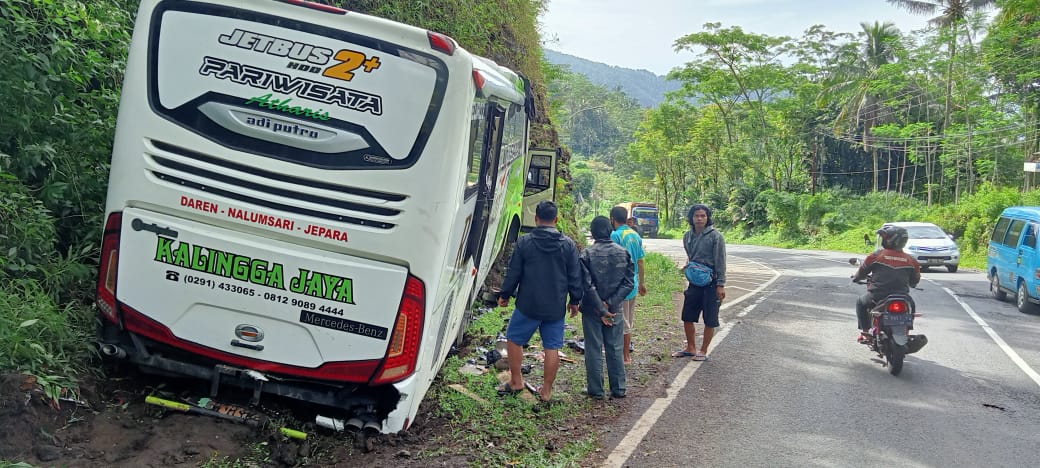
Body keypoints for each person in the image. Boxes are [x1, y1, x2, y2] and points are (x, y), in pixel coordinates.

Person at [497, 200, 583, 403]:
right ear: (556, 219)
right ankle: (546, 392)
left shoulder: (525, 242)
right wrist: (575, 300)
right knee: (551, 347)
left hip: (528, 304)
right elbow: (575, 275)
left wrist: (505, 294)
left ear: (536, 219)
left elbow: (514, 271)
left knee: (514, 339)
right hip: (555, 306)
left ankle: (516, 381)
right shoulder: (568, 244)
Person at [578, 216, 634, 399]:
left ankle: (596, 390)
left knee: (594, 348)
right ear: (610, 230)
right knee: (615, 347)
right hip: (614, 308)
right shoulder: (624, 253)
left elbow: (587, 285)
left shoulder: (586, 254)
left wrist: (601, 306)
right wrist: (610, 303)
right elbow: (628, 283)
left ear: (593, 233)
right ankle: (619, 388)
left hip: (592, 309)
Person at [673, 204, 727, 361]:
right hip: (694, 283)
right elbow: (690, 257)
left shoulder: (716, 236)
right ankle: (691, 347)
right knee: (687, 316)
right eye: (696, 216)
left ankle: (703, 350)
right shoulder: (687, 236)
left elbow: (720, 261)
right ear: (691, 218)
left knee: (710, 317)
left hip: (712, 283)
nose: (699, 218)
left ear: (708, 217)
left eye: (703, 216)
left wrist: (720, 284)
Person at [851, 225, 921, 341]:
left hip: (877, 296)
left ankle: (865, 332)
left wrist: (856, 278)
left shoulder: (876, 256)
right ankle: (906, 332)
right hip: (902, 297)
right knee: (911, 306)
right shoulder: (911, 260)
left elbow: (862, 273)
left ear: (890, 239)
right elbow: (915, 281)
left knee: (861, 303)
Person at [610, 206, 646, 365]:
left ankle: (625, 356)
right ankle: (625, 354)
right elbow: (640, 261)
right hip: (634, 282)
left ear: (612, 219)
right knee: (628, 320)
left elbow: (613, 261)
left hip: (621, 285)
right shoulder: (635, 235)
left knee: (623, 322)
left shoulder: (615, 235)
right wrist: (642, 282)